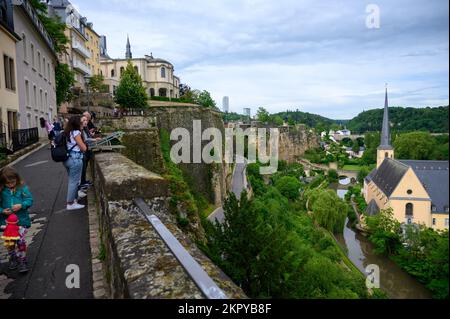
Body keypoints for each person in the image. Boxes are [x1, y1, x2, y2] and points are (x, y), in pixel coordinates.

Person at [0, 166, 33, 273]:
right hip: (7, 223)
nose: (10, 184)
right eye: (7, 183)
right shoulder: (2, 191)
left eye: (12, 182)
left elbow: (29, 200)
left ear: (17, 179)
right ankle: (13, 257)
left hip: (20, 222)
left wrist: (21, 205)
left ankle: (23, 260)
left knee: (21, 242)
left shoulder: (22, 188)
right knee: (10, 243)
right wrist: (2, 210)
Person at [63, 116, 87, 210]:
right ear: (77, 124)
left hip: (68, 159)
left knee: (72, 180)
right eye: (80, 122)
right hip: (75, 159)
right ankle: (70, 203)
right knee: (74, 181)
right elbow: (83, 148)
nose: (82, 124)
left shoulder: (67, 132)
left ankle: (74, 199)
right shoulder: (76, 132)